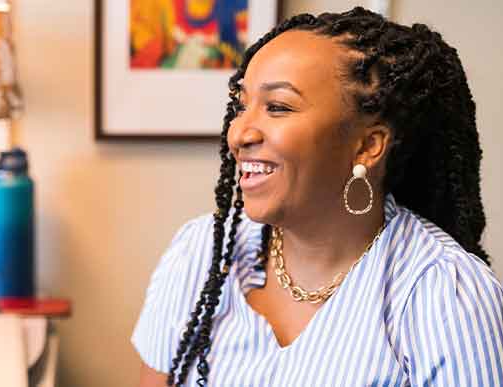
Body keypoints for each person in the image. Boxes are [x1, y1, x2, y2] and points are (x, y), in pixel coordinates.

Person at [132, 6, 503, 387]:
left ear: (368, 146)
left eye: (277, 107)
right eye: (242, 105)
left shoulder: (443, 293)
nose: (239, 132)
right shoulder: (200, 253)